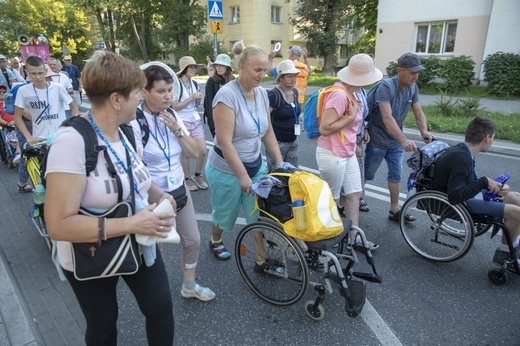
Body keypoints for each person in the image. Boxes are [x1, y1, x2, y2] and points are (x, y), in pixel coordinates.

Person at [44, 51, 176, 345]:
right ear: (117, 100)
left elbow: (137, 178)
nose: (141, 98)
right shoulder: (72, 142)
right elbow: (58, 225)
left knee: (160, 309)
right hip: (89, 255)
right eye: (136, 93)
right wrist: (131, 224)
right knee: (103, 325)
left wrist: (160, 194)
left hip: (137, 243)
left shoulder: (126, 130)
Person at [130, 63, 215, 301]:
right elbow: (137, 168)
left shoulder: (173, 114)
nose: (168, 95)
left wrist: (177, 128)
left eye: (169, 89)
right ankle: (155, 293)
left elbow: (196, 152)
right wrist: (157, 195)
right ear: (144, 92)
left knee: (193, 240)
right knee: (152, 248)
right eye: (160, 91)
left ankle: (189, 285)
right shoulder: (135, 122)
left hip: (179, 188)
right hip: (153, 195)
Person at [205, 40, 283, 260]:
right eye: (257, 70)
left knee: (256, 217)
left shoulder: (262, 94)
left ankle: (261, 259)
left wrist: (279, 160)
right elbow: (224, 141)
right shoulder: (227, 96)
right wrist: (241, 175)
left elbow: (267, 131)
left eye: (265, 70)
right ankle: (216, 240)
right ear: (241, 68)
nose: (262, 75)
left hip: (255, 166)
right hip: (226, 170)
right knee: (224, 216)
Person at [432, 116, 520, 270]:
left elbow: (469, 181)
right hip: (462, 203)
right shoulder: (461, 158)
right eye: (493, 137)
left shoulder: (464, 151)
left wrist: (494, 185)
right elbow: (455, 196)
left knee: (515, 197)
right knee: (517, 212)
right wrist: (484, 182)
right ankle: (504, 254)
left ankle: (515, 242)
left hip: (468, 196)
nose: (492, 141)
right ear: (487, 138)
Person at [317, 53, 382, 250]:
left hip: (347, 152)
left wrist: (354, 146)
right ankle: (325, 243)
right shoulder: (339, 94)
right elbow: (325, 128)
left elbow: (349, 128)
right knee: (332, 200)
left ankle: (353, 239)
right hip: (332, 154)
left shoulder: (353, 93)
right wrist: (350, 116)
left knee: (355, 193)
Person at [364, 52, 433, 222]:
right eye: (412, 72)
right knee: (367, 174)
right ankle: (353, 198)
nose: (415, 76)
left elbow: (418, 111)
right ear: (400, 70)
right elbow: (387, 117)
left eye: (417, 72)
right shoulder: (386, 87)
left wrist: (424, 131)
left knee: (396, 174)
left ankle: (394, 210)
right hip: (378, 138)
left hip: (394, 140)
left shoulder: (412, 88)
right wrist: (404, 140)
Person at [13, 56, 79, 193]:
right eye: (33, 74)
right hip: (40, 141)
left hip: (61, 138)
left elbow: (74, 107)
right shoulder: (23, 91)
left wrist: (73, 125)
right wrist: (28, 136)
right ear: (27, 72)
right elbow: (17, 117)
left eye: (40, 73)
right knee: (45, 181)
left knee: (68, 175)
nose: (37, 77)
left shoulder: (58, 88)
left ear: (45, 71)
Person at [172, 56, 207, 192]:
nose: (194, 70)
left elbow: (194, 104)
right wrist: (191, 97)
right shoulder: (177, 85)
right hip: (182, 121)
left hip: (195, 119)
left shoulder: (195, 84)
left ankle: (198, 175)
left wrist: (197, 100)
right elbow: (175, 106)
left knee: (202, 150)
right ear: (184, 69)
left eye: (194, 67)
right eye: (191, 67)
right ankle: (187, 178)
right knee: (185, 153)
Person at [266, 59, 301, 172]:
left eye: (294, 76)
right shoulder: (273, 95)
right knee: (276, 176)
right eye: (289, 76)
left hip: (293, 141)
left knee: (292, 175)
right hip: (277, 142)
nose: (293, 79)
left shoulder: (294, 92)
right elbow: (265, 121)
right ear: (281, 78)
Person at [204, 53, 235, 138]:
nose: (218, 68)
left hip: (231, 120)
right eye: (217, 65)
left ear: (227, 67)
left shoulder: (234, 81)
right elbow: (209, 103)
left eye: (221, 65)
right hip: (217, 120)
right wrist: (213, 125)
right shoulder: (211, 81)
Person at [0, 85, 21, 163]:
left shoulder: (12, 101)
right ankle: (18, 152)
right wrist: (7, 123)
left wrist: (15, 121)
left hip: (17, 122)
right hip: (7, 127)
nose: (2, 93)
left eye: (4, 91)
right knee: (16, 133)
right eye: (0, 92)